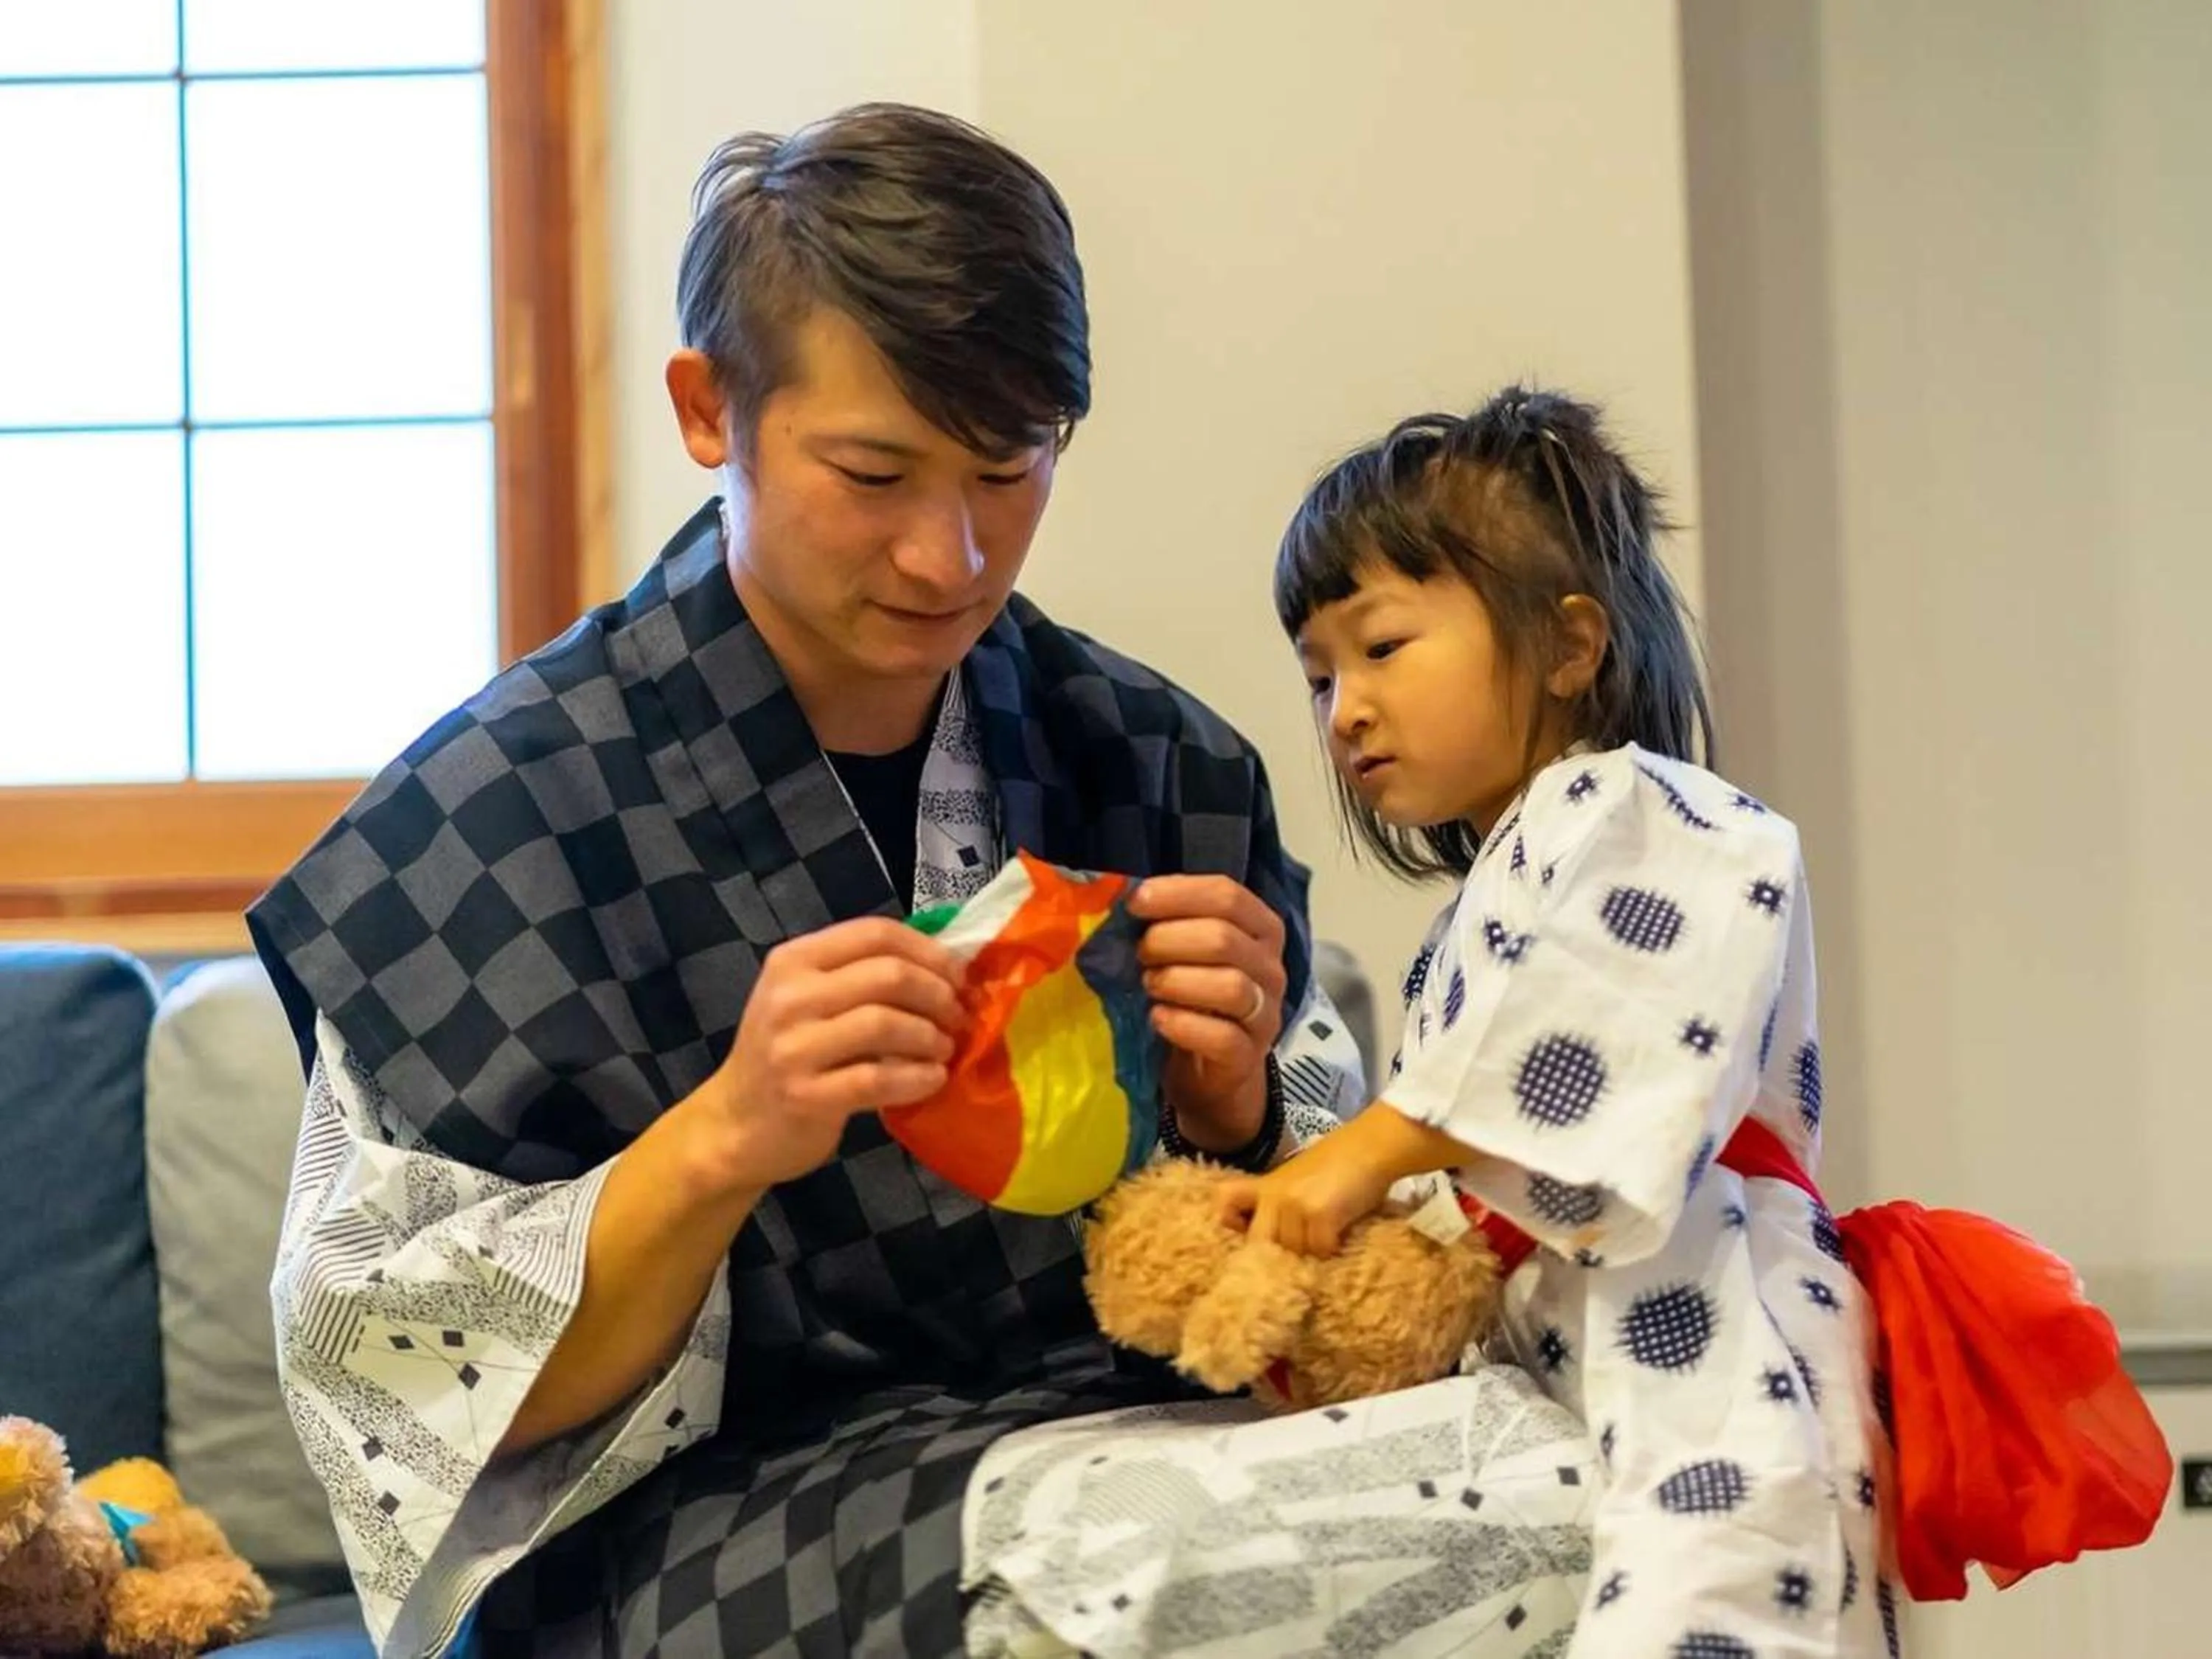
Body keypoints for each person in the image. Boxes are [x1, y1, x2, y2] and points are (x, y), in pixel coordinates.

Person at [248, 104, 1364, 1659]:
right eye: (874, 473)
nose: (950, 557)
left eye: (1008, 469)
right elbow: (403, 1396)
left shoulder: (1161, 765)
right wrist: (726, 1135)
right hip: (709, 1530)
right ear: (711, 412)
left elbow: (1371, 1266)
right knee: (1144, 1570)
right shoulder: (486, 820)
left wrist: (1245, 1117)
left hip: (1134, 1437)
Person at [1228, 386, 1894, 1658]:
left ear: (1570, 645)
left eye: (1380, 647)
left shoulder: (1654, 810)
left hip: (1720, 1344)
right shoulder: (1495, 883)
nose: (1344, 708)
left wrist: (1371, 1147)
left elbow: (1599, 1030)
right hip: (1595, 1362)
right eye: (1319, 675)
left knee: (1727, 1604)